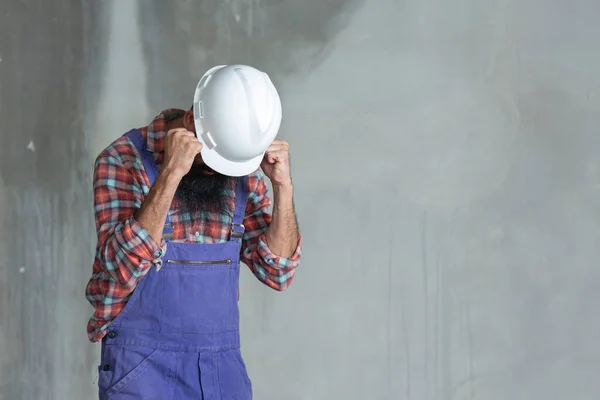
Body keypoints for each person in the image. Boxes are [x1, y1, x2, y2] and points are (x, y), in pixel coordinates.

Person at [85, 65, 302, 399]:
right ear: (190, 122)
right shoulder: (123, 160)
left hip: (221, 370)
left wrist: (283, 186)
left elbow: (278, 272)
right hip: (142, 370)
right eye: (215, 161)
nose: (222, 173)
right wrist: (170, 174)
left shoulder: (243, 166)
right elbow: (118, 272)